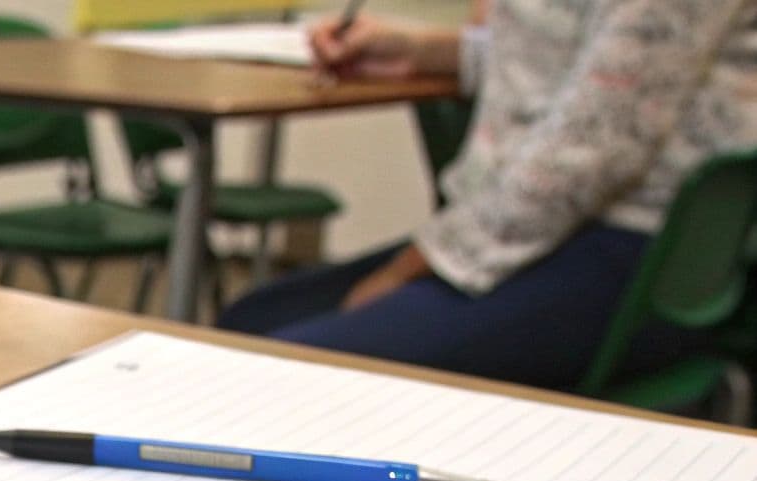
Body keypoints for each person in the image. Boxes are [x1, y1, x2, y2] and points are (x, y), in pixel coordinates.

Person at [217, 0, 757, 391]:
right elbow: (570, 55)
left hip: (639, 254)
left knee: (280, 378)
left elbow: (589, 149)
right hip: (546, 230)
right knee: (244, 327)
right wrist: (426, 51)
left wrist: (409, 270)